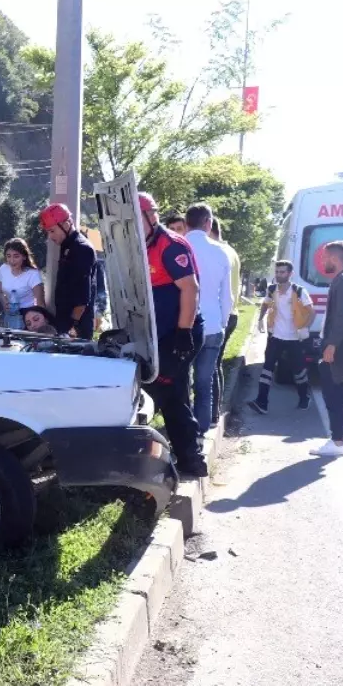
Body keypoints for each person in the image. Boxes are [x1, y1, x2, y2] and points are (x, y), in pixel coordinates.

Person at [139, 191, 207, 478]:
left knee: (166, 393)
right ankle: (190, 458)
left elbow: (190, 289)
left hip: (180, 334)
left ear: (151, 217)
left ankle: (186, 457)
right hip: (161, 335)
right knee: (174, 394)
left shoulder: (170, 245)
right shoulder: (142, 244)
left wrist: (183, 332)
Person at [184, 203, 234, 438]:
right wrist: (222, 322)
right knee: (204, 383)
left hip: (184, 325)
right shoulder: (220, 252)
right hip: (213, 325)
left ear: (186, 223)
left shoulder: (179, 247)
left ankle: (183, 428)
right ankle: (201, 430)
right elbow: (227, 297)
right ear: (209, 223)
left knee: (182, 381)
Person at [309, 241, 343, 457]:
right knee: (340, 391)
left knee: (334, 393)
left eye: (324, 257)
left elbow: (342, 316)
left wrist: (331, 344)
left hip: (340, 347)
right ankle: (340, 439)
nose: (322, 261)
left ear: (334, 258)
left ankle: (338, 441)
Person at [247, 259, 313, 415]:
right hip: (276, 336)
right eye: (277, 272)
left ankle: (304, 397)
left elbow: (312, 311)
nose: (279, 275)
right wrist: (260, 319)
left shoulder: (299, 290)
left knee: (298, 372)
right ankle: (262, 402)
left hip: (294, 339)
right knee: (267, 369)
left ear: (290, 274)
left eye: (282, 272)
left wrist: (305, 328)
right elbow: (265, 304)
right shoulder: (272, 290)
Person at [40, 203, 97, 339]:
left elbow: (82, 299)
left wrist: (71, 327)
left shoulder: (81, 248)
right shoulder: (68, 245)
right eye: (48, 232)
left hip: (76, 327)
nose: (50, 236)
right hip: (66, 322)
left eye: (52, 231)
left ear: (66, 224)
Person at [209, 217, 242, 424]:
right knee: (215, 363)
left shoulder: (216, 251)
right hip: (232, 313)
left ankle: (212, 412)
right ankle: (215, 409)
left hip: (222, 314)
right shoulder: (231, 251)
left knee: (210, 365)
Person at [0, 238, 44, 330]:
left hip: (27, 316)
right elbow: (0, 292)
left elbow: (40, 303)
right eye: (8, 256)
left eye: (16, 256)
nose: (12, 260)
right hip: (9, 314)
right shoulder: (3, 269)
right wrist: (4, 302)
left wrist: (35, 322)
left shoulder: (33, 274)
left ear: (24, 256)